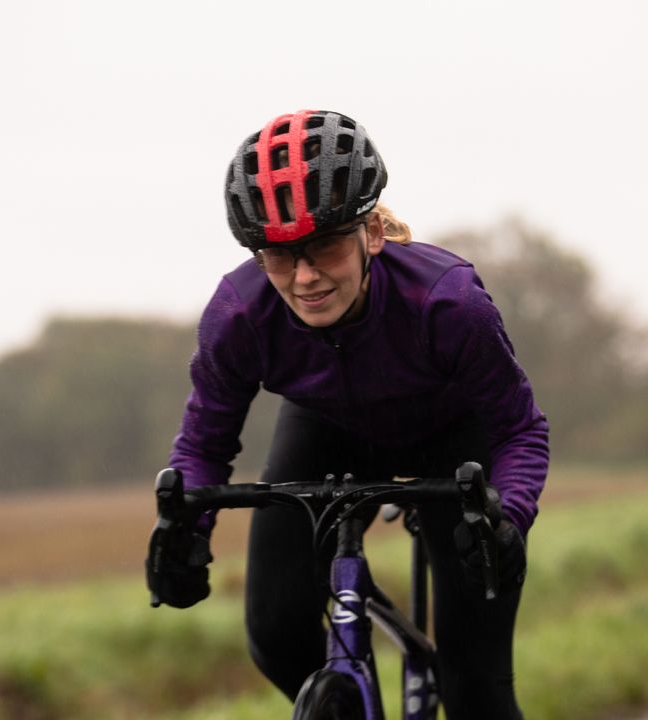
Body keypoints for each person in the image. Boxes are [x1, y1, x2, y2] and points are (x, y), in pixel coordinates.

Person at [159, 109, 549, 719]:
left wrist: (510, 518)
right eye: (280, 256)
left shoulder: (447, 302)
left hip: (452, 441)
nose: (306, 276)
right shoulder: (238, 316)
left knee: (474, 686)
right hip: (325, 432)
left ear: (370, 234)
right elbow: (204, 444)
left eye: (325, 248)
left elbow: (519, 429)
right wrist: (184, 533)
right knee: (277, 635)